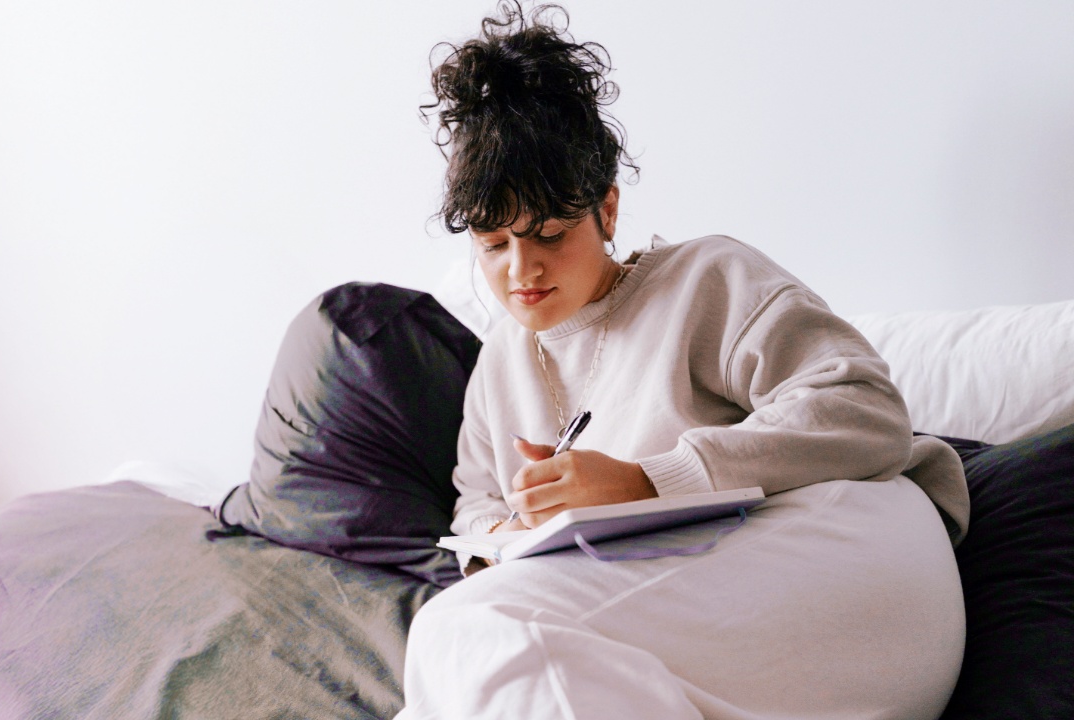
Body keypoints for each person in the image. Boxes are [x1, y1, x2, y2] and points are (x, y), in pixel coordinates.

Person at [395, 3, 970, 719]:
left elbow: (866, 410)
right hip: (688, 593)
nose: (522, 269)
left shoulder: (705, 278)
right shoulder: (501, 364)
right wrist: (505, 538)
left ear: (606, 208)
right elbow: (477, 502)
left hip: (845, 553)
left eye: (549, 233)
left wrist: (645, 481)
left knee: (466, 636)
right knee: (463, 654)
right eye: (494, 244)